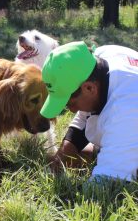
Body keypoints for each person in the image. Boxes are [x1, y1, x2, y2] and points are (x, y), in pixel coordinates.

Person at [40, 41, 138, 182]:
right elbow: (87, 115)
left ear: (90, 88)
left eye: (70, 104)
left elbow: (106, 181)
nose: (72, 110)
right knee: (79, 155)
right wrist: (67, 150)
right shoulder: (101, 57)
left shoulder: (124, 110)